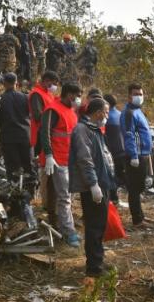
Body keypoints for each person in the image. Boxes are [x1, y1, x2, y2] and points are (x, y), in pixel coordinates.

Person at [69, 98, 117, 276]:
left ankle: (98, 261)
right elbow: (85, 159)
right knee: (94, 226)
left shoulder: (95, 129)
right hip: (92, 187)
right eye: (106, 112)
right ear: (97, 112)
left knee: (100, 225)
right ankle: (94, 268)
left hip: (101, 183)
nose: (107, 116)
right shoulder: (82, 130)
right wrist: (93, 184)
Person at [39, 82, 83, 247]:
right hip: (58, 160)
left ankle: (65, 225)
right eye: (76, 96)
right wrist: (49, 155)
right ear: (68, 95)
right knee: (64, 197)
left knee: (68, 196)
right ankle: (68, 232)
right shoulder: (53, 110)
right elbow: (45, 132)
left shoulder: (71, 111)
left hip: (69, 159)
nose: (78, 99)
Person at [119, 83, 153, 227]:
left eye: (140, 94)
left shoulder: (138, 111)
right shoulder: (129, 113)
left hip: (143, 154)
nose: (138, 97)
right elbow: (129, 135)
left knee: (139, 187)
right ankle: (137, 220)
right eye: (135, 94)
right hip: (135, 156)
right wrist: (133, 155)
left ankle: (140, 215)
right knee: (134, 188)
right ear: (129, 96)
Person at [0, 73, 32, 179]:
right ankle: (30, 190)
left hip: (9, 138)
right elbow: (33, 116)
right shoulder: (25, 97)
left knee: (13, 168)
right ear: (16, 83)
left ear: (4, 84)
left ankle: (14, 191)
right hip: (25, 136)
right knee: (28, 166)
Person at [28, 70, 60, 155]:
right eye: (54, 84)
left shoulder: (48, 93)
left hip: (47, 130)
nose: (55, 87)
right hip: (38, 132)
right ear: (46, 81)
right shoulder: (36, 94)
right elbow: (37, 115)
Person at [103, 93, 126, 187]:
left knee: (112, 177)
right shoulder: (120, 114)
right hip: (122, 150)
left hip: (112, 152)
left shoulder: (107, 118)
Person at [12, 16, 35, 83]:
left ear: (24, 22)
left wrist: (33, 51)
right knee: (19, 67)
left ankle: (28, 81)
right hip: (17, 52)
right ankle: (18, 82)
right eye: (19, 21)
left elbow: (30, 41)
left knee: (28, 66)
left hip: (26, 51)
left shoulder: (26, 30)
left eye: (22, 21)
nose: (21, 22)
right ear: (17, 21)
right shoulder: (14, 30)